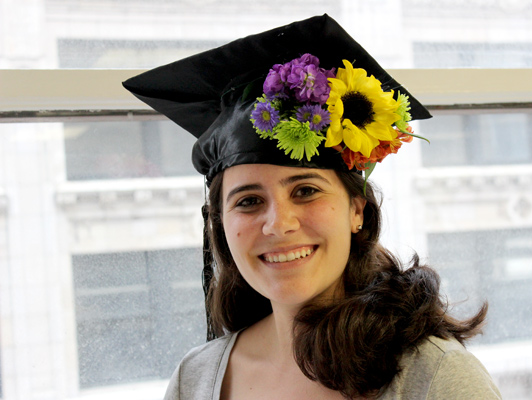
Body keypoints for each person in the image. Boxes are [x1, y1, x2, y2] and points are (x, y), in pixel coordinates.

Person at [124, 14, 502, 400]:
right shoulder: (197, 378)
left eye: (305, 190)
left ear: (357, 210)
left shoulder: (434, 376)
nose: (279, 224)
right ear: (220, 225)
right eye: (249, 201)